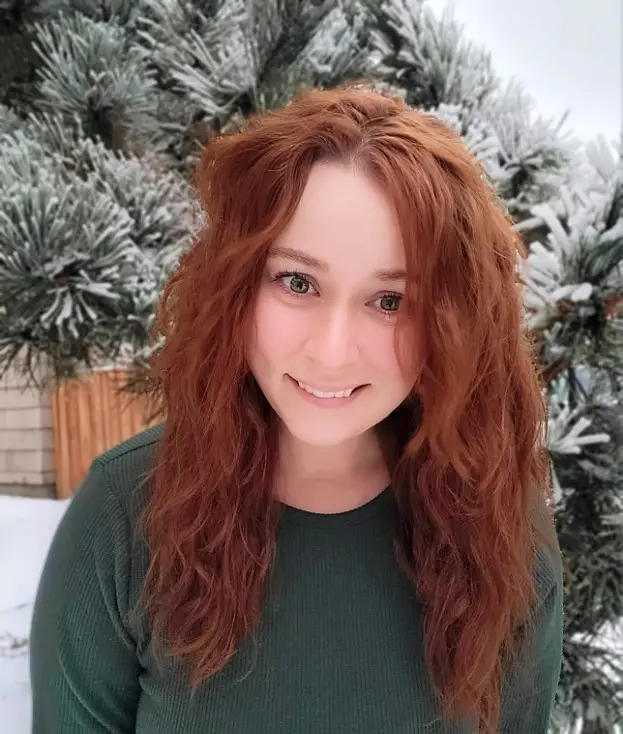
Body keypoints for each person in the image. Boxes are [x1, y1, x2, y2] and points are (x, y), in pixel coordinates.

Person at [30, 83, 564, 734]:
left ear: (454, 323)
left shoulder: (500, 535)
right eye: (297, 282)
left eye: (390, 301)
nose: (332, 352)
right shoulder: (122, 518)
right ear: (235, 283)